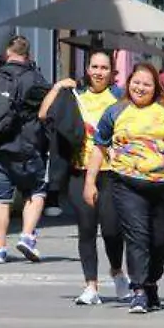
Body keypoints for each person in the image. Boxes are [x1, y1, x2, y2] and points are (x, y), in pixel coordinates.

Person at [85, 63, 164, 314]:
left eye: (147, 84)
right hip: (126, 183)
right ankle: (138, 290)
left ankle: (151, 282)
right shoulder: (115, 111)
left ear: (155, 87)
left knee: (160, 240)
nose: (140, 88)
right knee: (137, 236)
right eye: (136, 82)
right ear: (128, 84)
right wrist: (90, 181)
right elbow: (99, 147)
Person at [40, 51, 129, 305]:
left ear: (112, 72)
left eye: (104, 68)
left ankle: (117, 270)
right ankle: (91, 285)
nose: (99, 72)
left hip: (112, 173)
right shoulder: (75, 96)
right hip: (79, 172)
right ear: (87, 69)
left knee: (112, 229)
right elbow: (44, 115)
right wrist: (57, 86)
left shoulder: (120, 98)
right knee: (86, 229)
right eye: (95, 67)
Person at [0, 35, 52, 264]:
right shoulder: (36, 79)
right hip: (27, 146)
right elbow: (47, 112)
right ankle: (27, 236)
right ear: (28, 55)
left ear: (6, 54)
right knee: (36, 191)